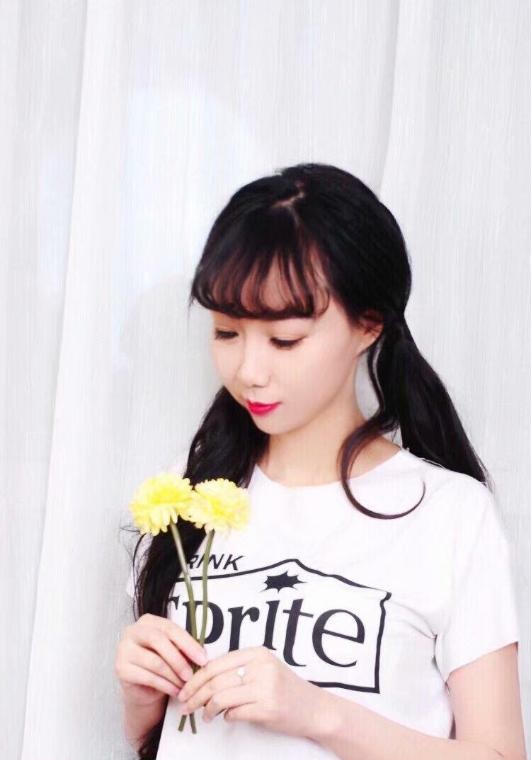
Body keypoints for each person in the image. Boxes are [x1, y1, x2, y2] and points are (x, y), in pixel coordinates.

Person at [115, 163, 525, 760]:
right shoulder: (188, 491)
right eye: (227, 333)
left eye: (284, 339)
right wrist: (141, 698)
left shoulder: (449, 513)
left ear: (368, 324)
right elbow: (170, 740)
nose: (249, 371)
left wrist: (317, 713)